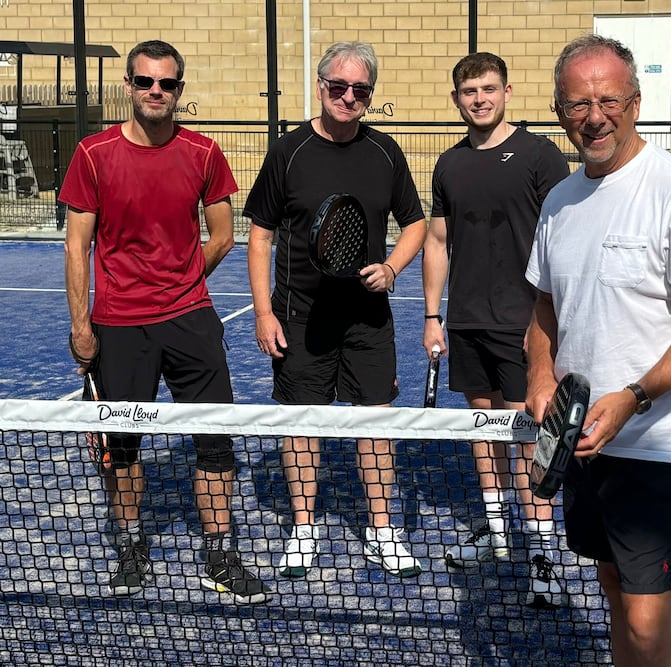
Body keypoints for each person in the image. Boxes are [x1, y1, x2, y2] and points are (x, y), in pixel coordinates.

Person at [525, 35, 671, 665]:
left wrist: (634, 397)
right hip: (582, 445)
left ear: (635, 103)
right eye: (578, 103)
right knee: (614, 592)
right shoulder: (560, 201)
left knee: (648, 624)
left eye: (608, 100)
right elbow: (544, 309)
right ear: (561, 111)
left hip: (655, 446)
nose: (594, 116)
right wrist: (539, 377)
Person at [61, 40, 269, 604]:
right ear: (128, 86)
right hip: (117, 325)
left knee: (216, 442)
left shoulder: (204, 152)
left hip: (190, 320)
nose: (157, 91)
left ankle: (220, 555)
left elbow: (224, 234)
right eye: (146, 81)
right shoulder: (92, 153)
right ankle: (130, 547)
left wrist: (177, 280)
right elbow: (76, 246)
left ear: (180, 89)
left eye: (168, 83)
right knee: (121, 448)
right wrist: (82, 326)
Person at [244, 41, 427, 579]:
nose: (349, 96)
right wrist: (263, 312)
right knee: (302, 424)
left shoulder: (386, 152)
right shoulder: (289, 151)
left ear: (370, 95)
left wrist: (392, 267)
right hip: (300, 320)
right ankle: (304, 530)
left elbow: (415, 222)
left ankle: (381, 529)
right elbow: (259, 236)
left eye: (360, 89)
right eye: (339, 86)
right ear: (321, 86)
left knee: (376, 422)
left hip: (368, 319)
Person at [422, 52, 570, 607]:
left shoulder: (540, 155)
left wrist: (555, 321)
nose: (479, 98)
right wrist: (433, 315)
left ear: (507, 91)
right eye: (468, 91)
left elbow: (565, 234)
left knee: (527, 434)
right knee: (483, 427)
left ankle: (542, 555)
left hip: (527, 324)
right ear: (456, 98)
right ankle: (496, 531)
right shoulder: (448, 165)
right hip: (465, 321)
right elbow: (438, 242)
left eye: (488, 88)